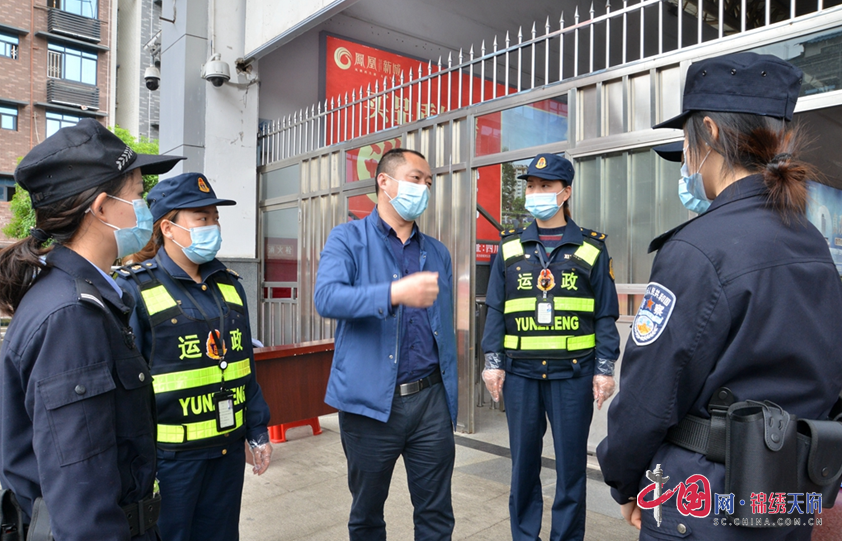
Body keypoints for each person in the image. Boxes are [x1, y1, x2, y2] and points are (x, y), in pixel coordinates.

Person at [596, 52, 842, 540]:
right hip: (789, 492)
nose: (687, 159)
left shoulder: (697, 248)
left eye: (686, 142)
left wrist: (625, 481)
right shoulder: (811, 242)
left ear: (707, 132)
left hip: (706, 497)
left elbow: (650, 395)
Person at [0, 119, 184, 540]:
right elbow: (81, 500)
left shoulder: (82, 296)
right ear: (102, 208)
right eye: (139, 194)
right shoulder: (71, 316)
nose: (146, 208)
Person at [114, 172, 272, 541]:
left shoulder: (229, 285)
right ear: (168, 228)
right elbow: (127, 391)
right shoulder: (134, 288)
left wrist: (257, 429)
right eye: (201, 218)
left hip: (226, 452)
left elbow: (243, 368)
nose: (212, 226)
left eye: (214, 218)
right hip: (170, 461)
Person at [314, 148, 458, 540]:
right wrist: (393, 292)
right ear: (384, 182)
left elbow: (443, 327)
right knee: (366, 514)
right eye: (416, 178)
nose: (424, 188)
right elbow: (326, 298)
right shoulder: (348, 239)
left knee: (436, 514)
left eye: (428, 182)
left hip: (430, 400)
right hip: (370, 404)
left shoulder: (437, 252)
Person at [481, 153, 621, 541]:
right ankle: (525, 536)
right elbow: (495, 309)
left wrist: (605, 369)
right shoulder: (509, 248)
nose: (536, 193)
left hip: (573, 377)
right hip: (521, 375)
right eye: (530, 186)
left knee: (571, 470)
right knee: (523, 466)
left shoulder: (592, 248)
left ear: (565, 192)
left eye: (544, 186)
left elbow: (605, 314)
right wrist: (492, 362)